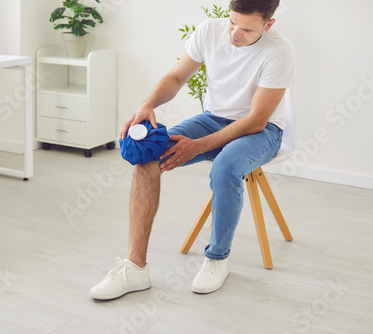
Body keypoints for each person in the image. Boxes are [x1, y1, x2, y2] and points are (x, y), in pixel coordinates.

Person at [90, 0, 295, 300]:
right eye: (232, 22)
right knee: (148, 156)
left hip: (262, 131)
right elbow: (175, 77)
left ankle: (217, 259)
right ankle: (135, 267)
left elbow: (255, 120)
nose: (235, 33)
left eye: (248, 29)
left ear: (269, 24)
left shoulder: (280, 50)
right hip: (214, 119)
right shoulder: (209, 31)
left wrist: (197, 146)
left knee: (225, 168)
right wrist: (146, 105)